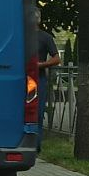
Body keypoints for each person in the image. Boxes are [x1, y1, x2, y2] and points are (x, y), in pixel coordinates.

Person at [33, 9, 61, 154]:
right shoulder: (20, 36)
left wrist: (40, 65)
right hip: (21, 78)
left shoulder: (45, 37)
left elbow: (56, 59)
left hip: (38, 79)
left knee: (37, 112)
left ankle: (36, 146)